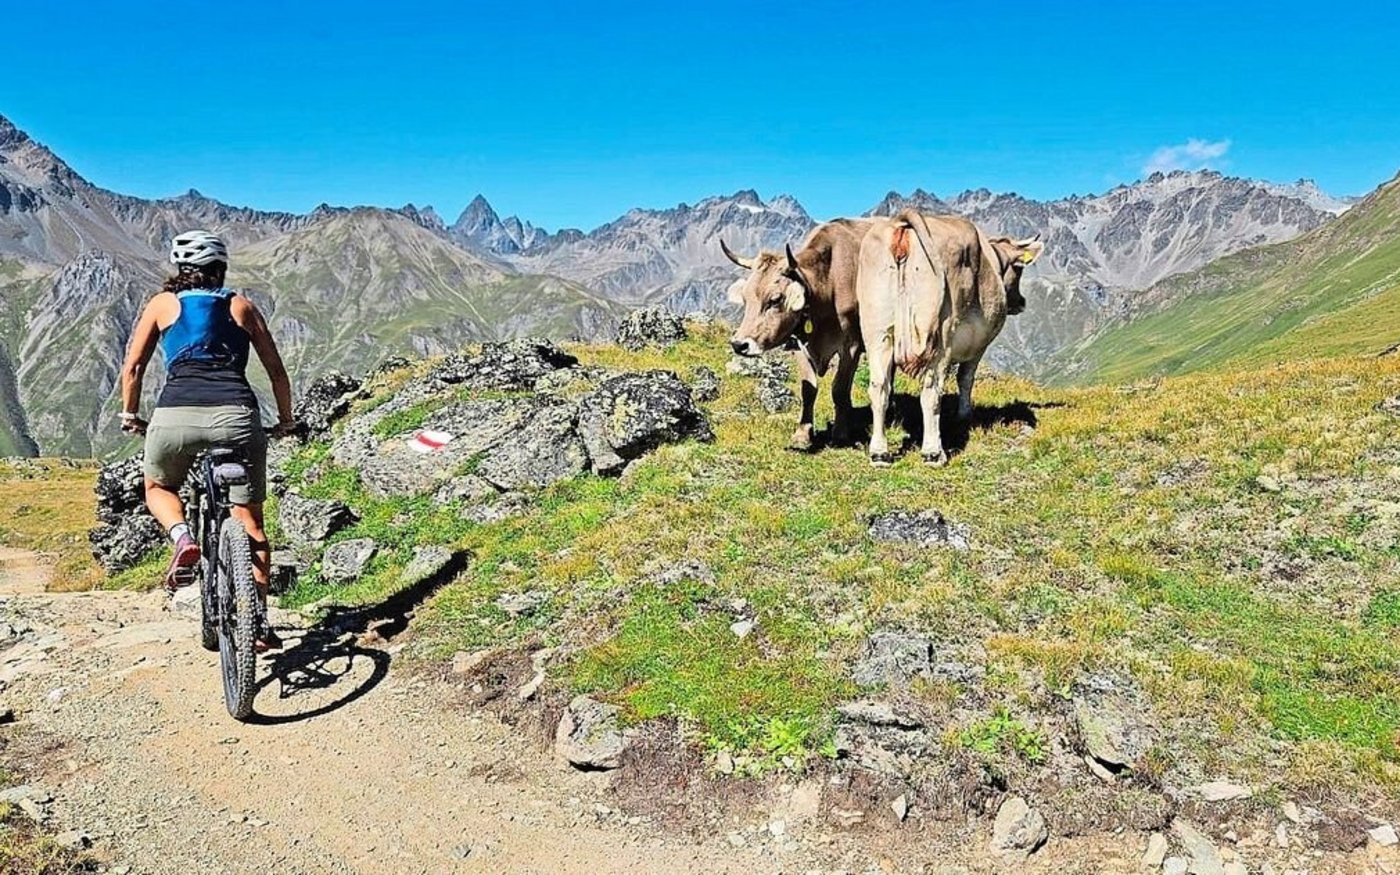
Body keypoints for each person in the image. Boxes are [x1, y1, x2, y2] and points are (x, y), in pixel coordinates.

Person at [119, 230, 298, 650]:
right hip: (236, 417)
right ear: (221, 269)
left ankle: (183, 537)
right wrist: (286, 420)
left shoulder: (162, 305)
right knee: (251, 524)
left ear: (181, 268)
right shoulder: (241, 306)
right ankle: (257, 622)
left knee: (158, 487)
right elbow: (276, 371)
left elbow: (134, 367)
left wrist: (130, 415)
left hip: (174, 417)